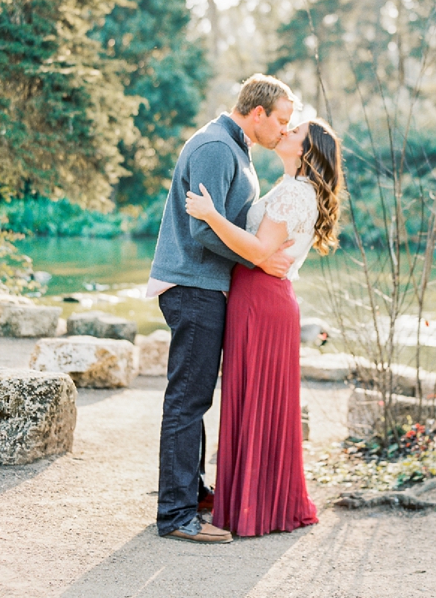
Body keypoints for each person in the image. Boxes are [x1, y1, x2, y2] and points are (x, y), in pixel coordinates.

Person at [146, 74, 297, 544]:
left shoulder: (236, 149)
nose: (282, 131)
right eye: (281, 121)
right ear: (258, 113)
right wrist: (259, 257)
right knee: (188, 400)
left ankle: (191, 491)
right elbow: (202, 230)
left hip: (206, 286)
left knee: (196, 397)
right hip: (192, 285)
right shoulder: (215, 147)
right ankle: (175, 514)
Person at [184, 116, 345, 537]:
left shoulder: (295, 192)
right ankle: (254, 498)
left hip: (262, 300)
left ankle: (256, 506)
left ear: (305, 151)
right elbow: (259, 249)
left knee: (255, 397)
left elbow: (258, 248)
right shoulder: (290, 188)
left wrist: (210, 214)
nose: (286, 132)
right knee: (253, 397)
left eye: (295, 133)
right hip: (258, 297)